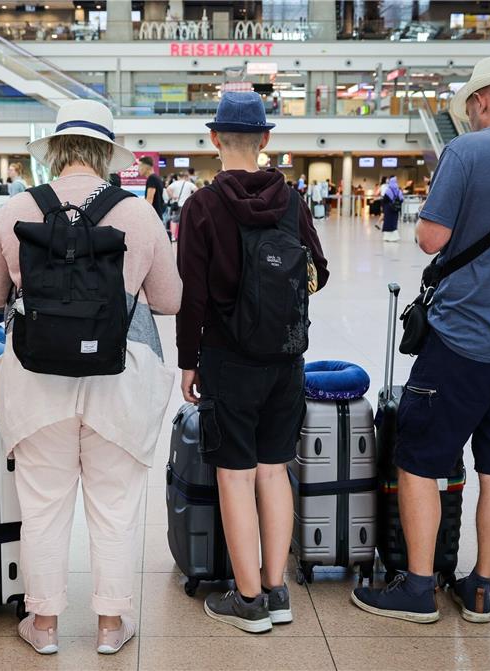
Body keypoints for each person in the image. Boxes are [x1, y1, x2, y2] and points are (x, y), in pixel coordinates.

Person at [352, 55, 490, 625]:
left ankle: (418, 589)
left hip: (461, 341)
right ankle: (479, 590)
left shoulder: (467, 152)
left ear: (478, 101)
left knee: (420, 461)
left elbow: (431, 239)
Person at [0, 99, 181, 656]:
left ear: (57, 151)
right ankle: (112, 626)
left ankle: (42, 626)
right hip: (119, 378)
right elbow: (169, 299)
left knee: (42, 505)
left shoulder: (15, 207)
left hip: (35, 378)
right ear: (105, 154)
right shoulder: (138, 213)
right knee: (114, 506)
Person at [177, 91, 328, 634]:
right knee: (274, 471)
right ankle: (276, 590)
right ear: (266, 140)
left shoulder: (200, 206)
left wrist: (188, 362)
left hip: (226, 357)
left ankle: (246, 601)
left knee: (235, 478)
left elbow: (190, 295)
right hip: (287, 358)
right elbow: (321, 272)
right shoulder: (292, 201)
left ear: (215, 139)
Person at [166, 171, 197, 241]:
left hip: (177, 205)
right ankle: (184, 237)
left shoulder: (175, 183)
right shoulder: (189, 184)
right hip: (186, 205)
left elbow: (168, 189)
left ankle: (173, 237)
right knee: (185, 221)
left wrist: (172, 196)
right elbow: (196, 190)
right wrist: (191, 197)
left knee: (174, 220)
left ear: (178, 177)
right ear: (185, 177)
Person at [138, 155, 165, 221]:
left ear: (146, 167)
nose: (138, 169)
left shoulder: (152, 178)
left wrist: (144, 216)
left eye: (140, 166)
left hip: (153, 217)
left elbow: (149, 200)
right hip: (157, 215)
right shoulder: (156, 177)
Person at [381, 176, 403, 241]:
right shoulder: (398, 190)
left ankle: (387, 237)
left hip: (388, 209)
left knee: (388, 222)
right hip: (396, 210)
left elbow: (384, 200)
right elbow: (402, 199)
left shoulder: (388, 190)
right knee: (394, 222)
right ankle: (395, 237)